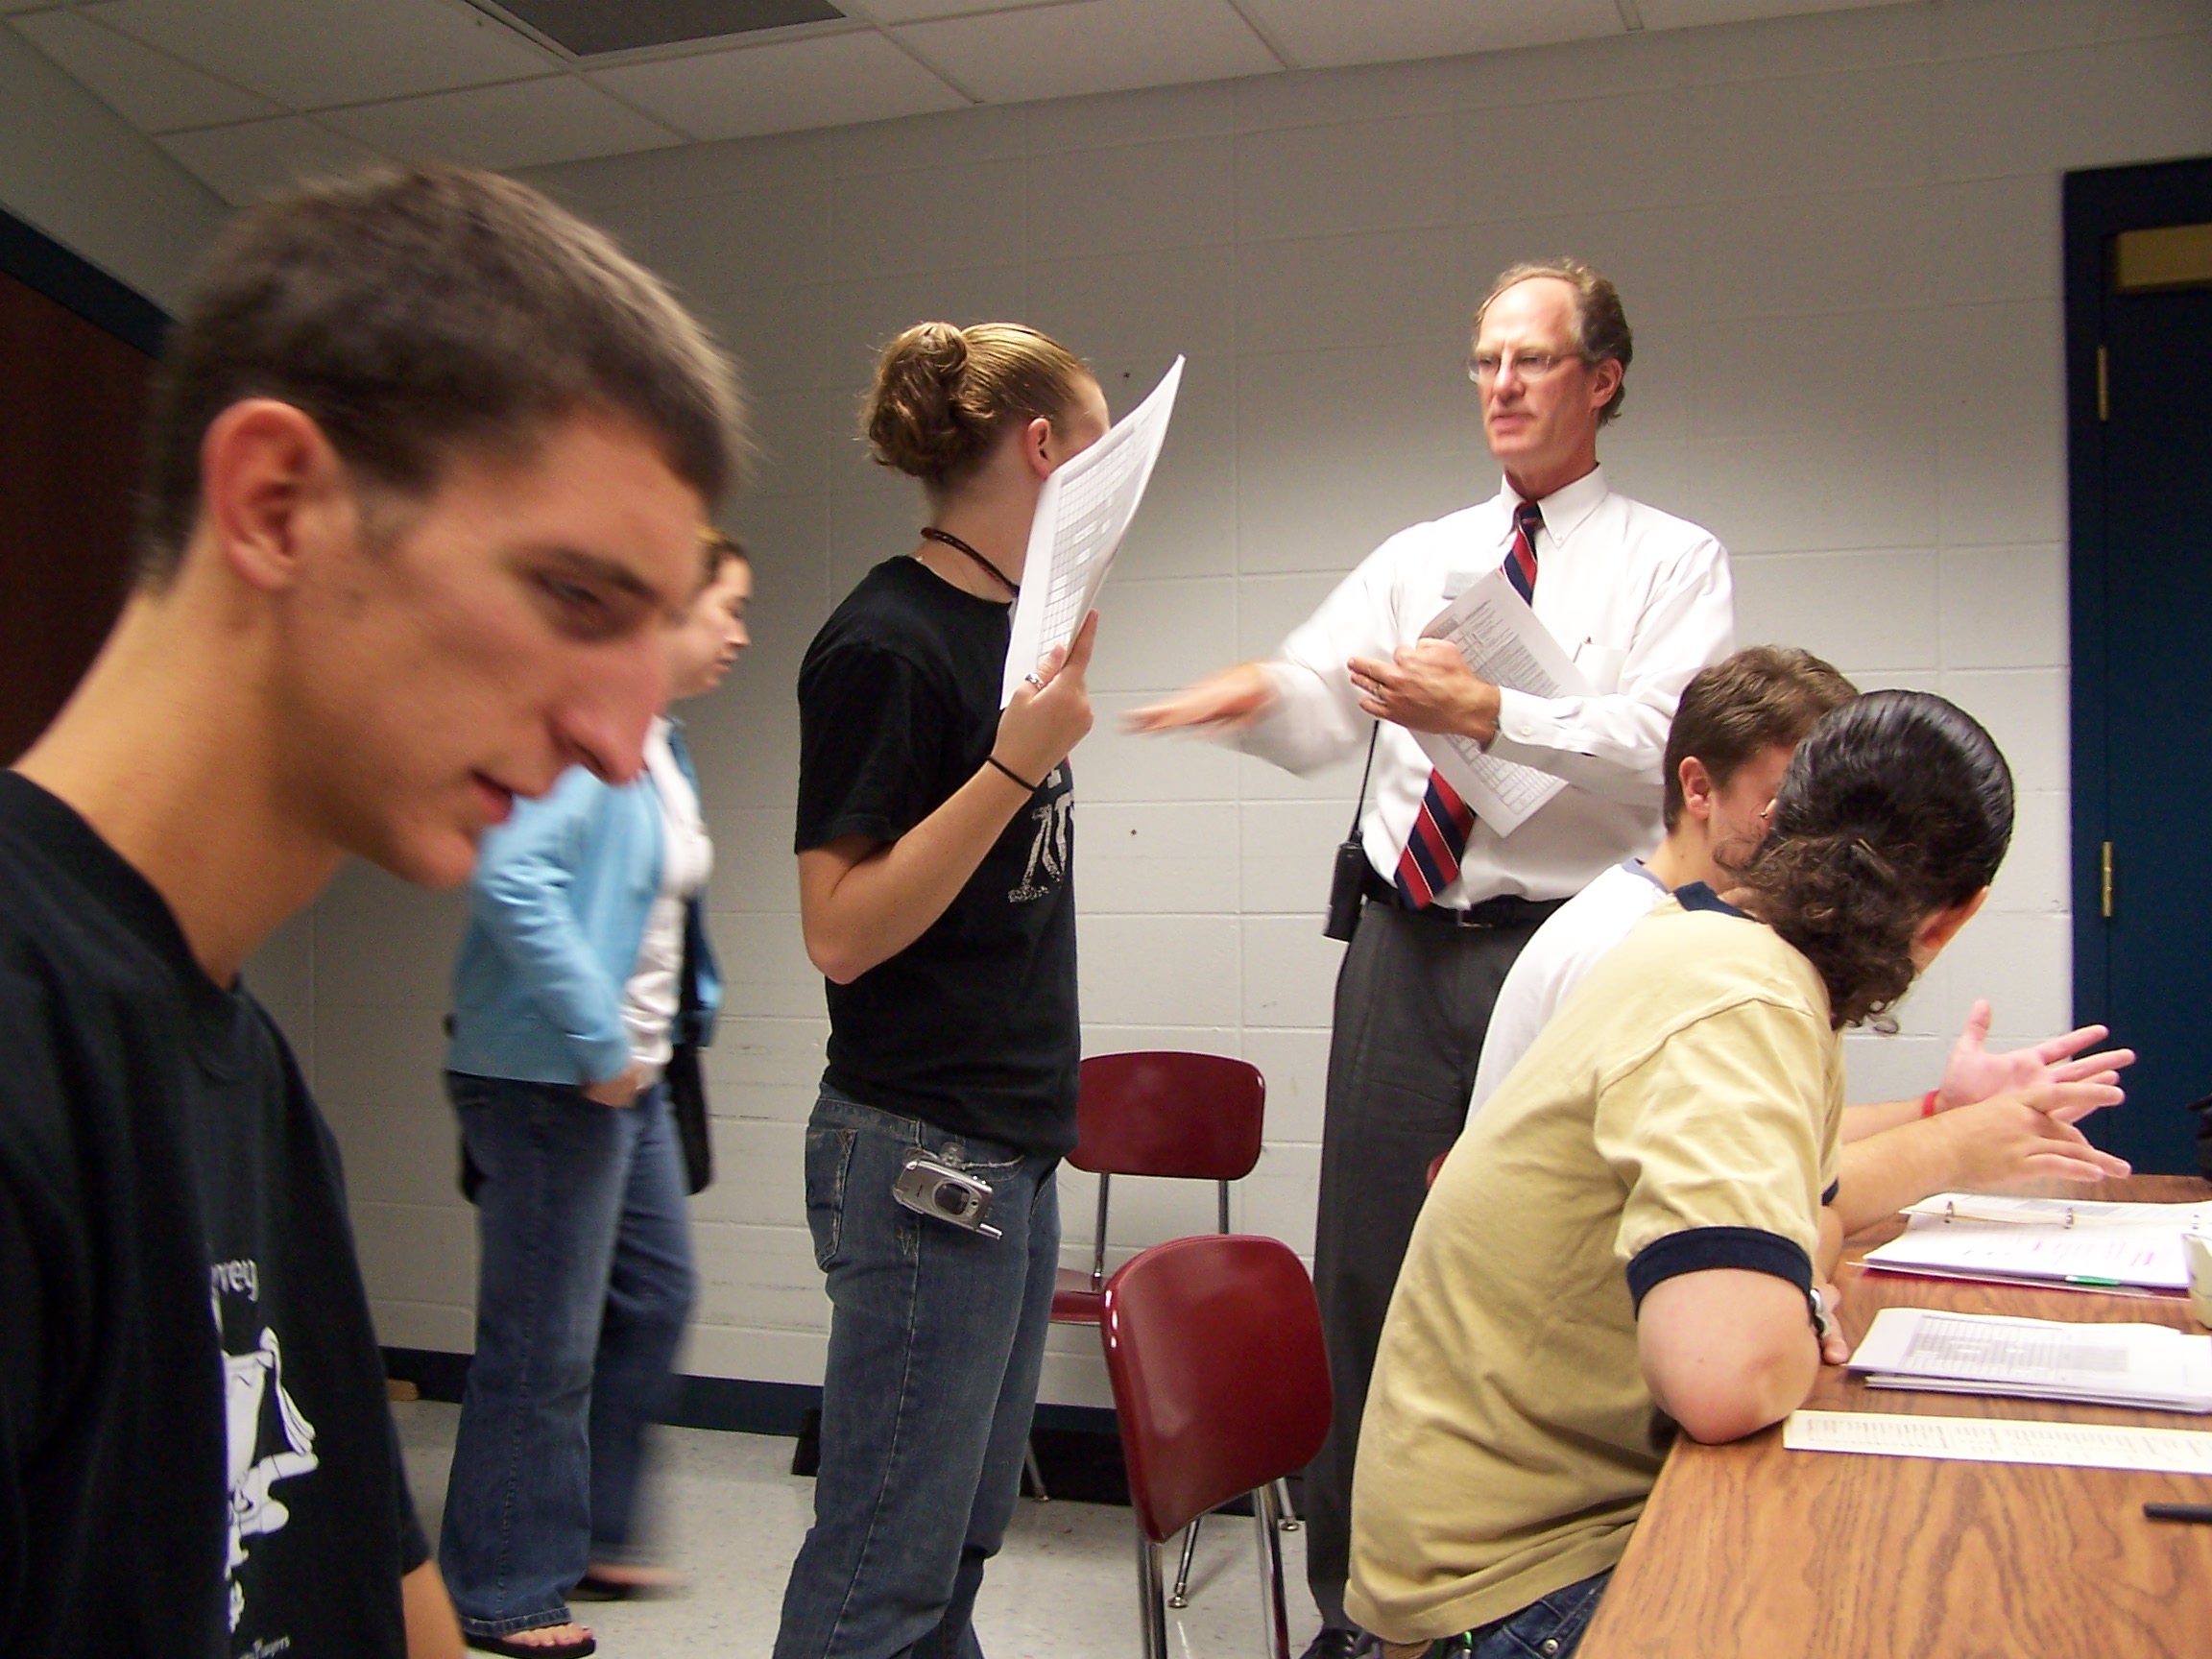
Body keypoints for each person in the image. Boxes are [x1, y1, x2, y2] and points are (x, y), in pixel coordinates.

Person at [0, 164, 743, 1659]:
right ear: (278, 505)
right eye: (575, 599)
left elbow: (372, 1581)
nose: (618, 742)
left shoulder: (248, 1079)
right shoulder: (31, 1058)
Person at [1129, 259, 1733, 1657]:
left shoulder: (1671, 560)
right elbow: (1324, 701)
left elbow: (1668, 744)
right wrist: (1257, 695)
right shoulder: (1423, 555)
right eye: (1484, 362)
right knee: (1367, 1275)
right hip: (1405, 948)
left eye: (1533, 360)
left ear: (1603, 380)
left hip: (1565, 958)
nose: (1502, 386)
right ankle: (1358, 1607)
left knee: (1544, 1277)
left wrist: (1496, 712)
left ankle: (1531, 1601)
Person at [1347, 691, 2112, 1659]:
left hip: (1523, 1543)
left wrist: (1801, 1275)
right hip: (1514, 1588)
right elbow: (1724, 1374)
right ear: (1953, 919)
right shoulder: (1740, 994)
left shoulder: (1717, 951)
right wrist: (1799, 1292)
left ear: (1779, 820)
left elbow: (1809, 1214)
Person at [772, 322, 1105, 1659]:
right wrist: (1014, 764)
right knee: (882, 1576)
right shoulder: (886, 642)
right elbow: (840, 931)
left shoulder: (1013, 637)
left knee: (951, 1554)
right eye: (1101, 452)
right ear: (1044, 449)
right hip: (923, 1153)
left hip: (1009, 1149)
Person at [1468, 646, 2132, 1228]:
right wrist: (1954, 1144)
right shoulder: (1650, 948)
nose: (1837, 846)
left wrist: (1941, 1108)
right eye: (1804, 800)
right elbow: (1747, 1202)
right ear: (1699, 789)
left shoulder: (1729, 937)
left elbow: (1768, 1141)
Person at [438, 532, 752, 1656]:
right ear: (662, 615)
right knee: (542, 1337)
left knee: (654, 1298)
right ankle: (504, 1584)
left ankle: (594, 1531)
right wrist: (597, 1035)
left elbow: (661, 903)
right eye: (725, 609)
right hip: (550, 1079)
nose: (739, 633)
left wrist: (682, 1013)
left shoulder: (660, 744)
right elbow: (509, 875)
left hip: (634, 1079)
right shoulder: (582, 741)